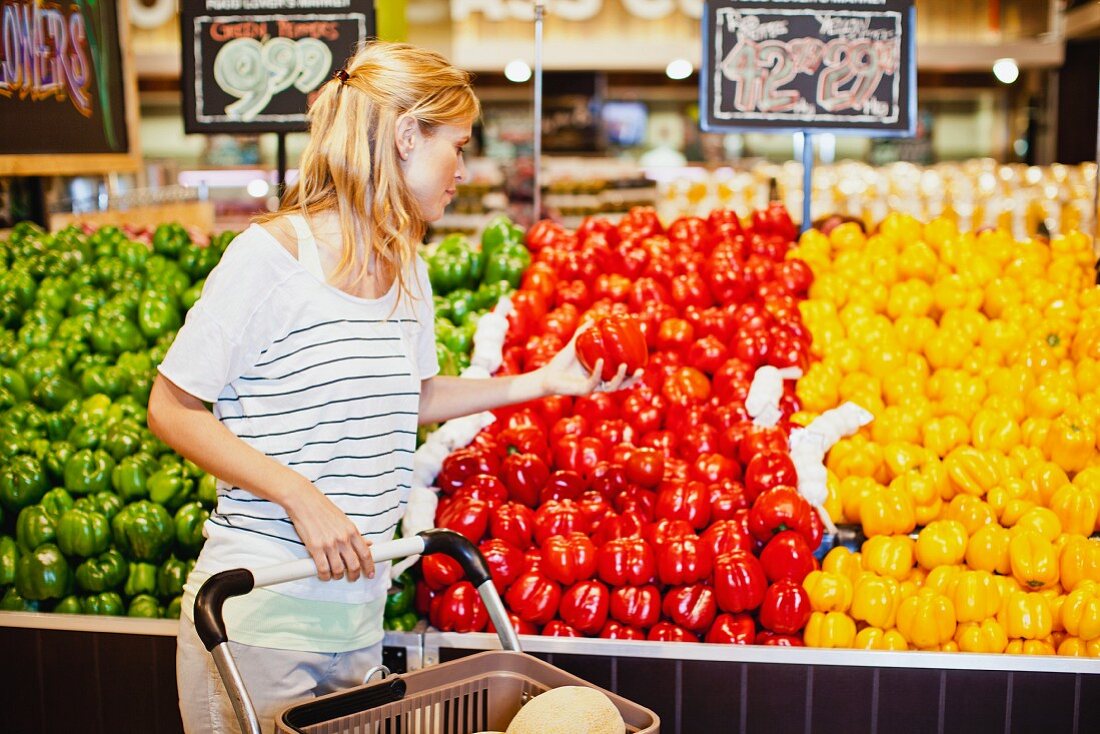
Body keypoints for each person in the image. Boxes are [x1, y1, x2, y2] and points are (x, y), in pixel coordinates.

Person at [147, 41, 637, 734]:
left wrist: (545, 382)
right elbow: (171, 407)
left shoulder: (405, 265)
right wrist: (297, 493)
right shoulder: (271, 257)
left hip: (357, 621)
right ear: (407, 136)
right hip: (256, 620)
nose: (463, 171)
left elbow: (419, 397)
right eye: (457, 146)